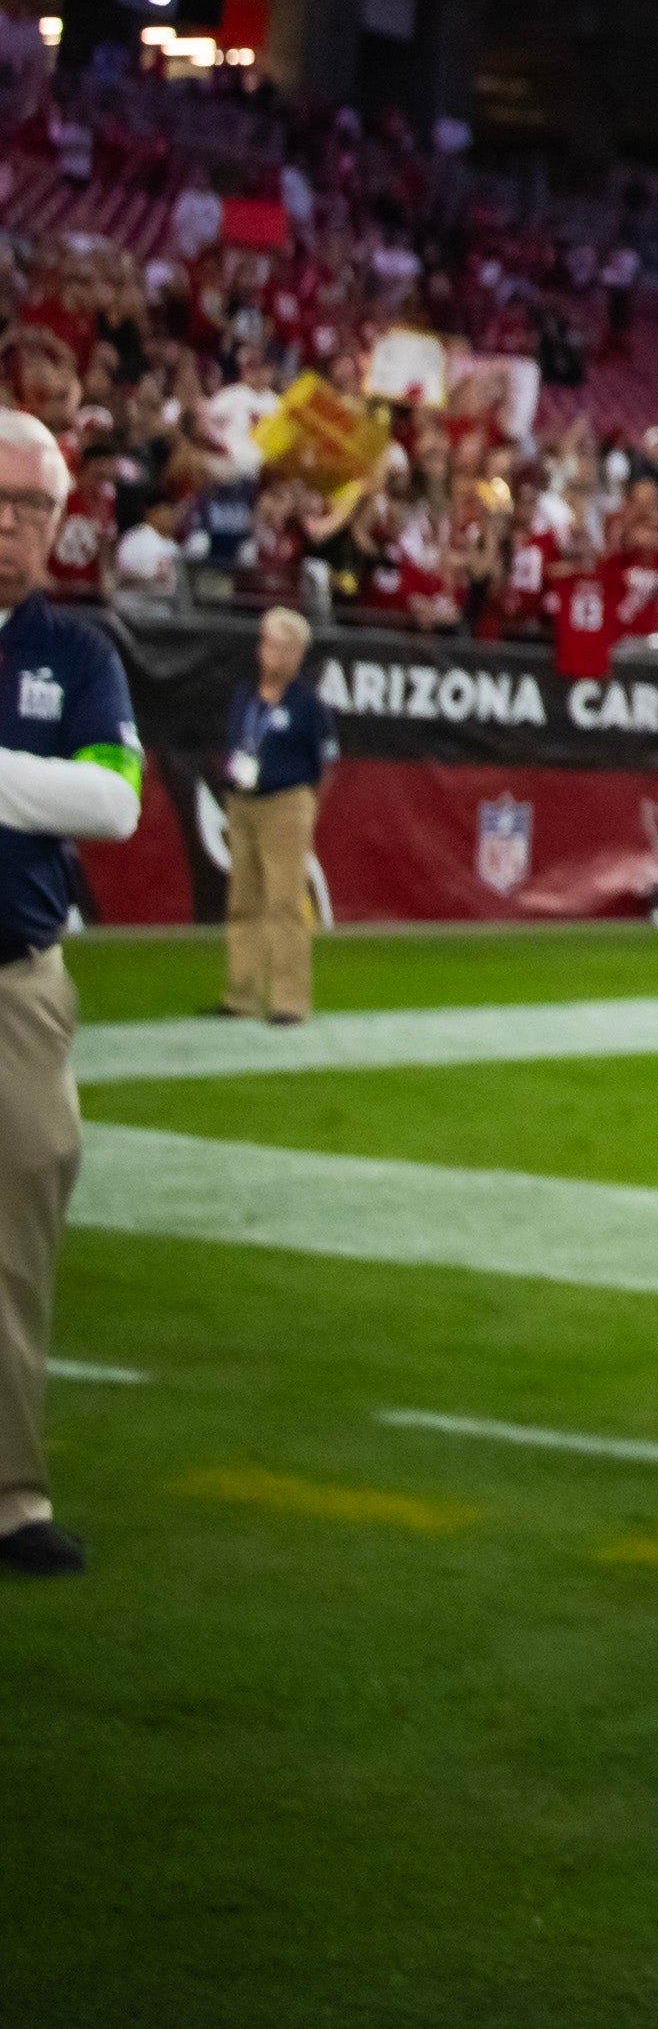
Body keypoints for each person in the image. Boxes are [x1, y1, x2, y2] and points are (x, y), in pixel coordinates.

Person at [0, 407, 138, 1577]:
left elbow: (115, 803)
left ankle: (8, 1496)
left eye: (34, 504)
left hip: (16, 984)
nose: (12, 523)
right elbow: (72, 792)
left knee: (16, 1243)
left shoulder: (76, 652)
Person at [217, 605, 339, 1026]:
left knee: (284, 901)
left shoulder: (308, 703)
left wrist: (308, 805)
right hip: (242, 800)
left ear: (298, 654)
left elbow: (328, 761)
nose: (274, 652)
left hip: (286, 801)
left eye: (284, 646)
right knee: (242, 901)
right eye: (269, 642)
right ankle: (241, 994)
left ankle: (289, 1000)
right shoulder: (245, 694)